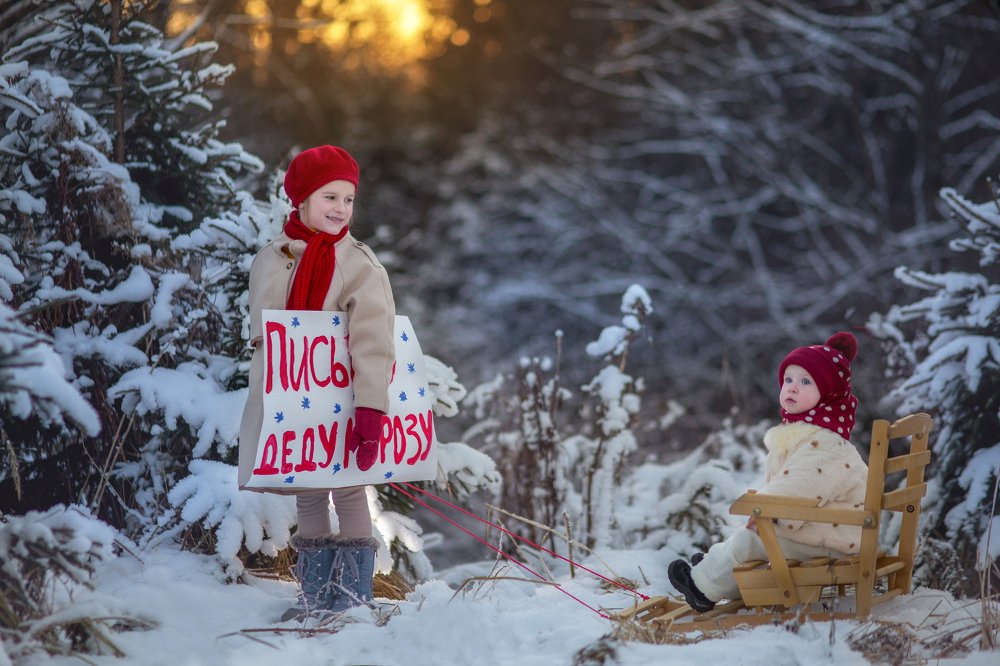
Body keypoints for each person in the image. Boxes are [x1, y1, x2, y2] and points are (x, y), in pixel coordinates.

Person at [237, 145, 395, 620]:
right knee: (308, 488)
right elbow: (265, 339)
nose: (341, 209)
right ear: (302, 200)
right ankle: (315, 599)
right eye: (330, 196)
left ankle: (352, 601)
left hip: (343, 401)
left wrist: (370, 410)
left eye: (348, 199)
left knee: (346, 488)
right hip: (293, 403)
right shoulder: (272, 259)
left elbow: (373, 340)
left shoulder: (359, 264)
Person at [667, 331, 867, 612]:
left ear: (829, 391)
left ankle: (703, 587)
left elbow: (798, 488)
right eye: (788, 380)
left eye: (805, 381)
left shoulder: (825, 444)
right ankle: (718, 571)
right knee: (758, 534)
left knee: (752, 541)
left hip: (836, 539)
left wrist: (764, 507)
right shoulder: (814, 436)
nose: (792, 388)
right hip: (828, 530)